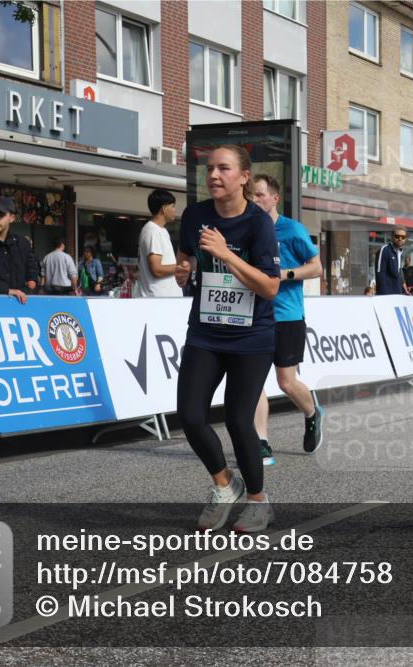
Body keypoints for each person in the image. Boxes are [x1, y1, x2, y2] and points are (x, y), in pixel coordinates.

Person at [174, 145, 280, 533]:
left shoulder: (258, 223)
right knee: (189, 415)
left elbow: (269, 287)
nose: (214, 175)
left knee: (238, 420)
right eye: (210, 169)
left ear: (244, 176)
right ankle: (224, 485)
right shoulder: (196, 215)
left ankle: (258, 502)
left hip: (251, 337)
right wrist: (182, 273)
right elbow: (186, 259)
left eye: (224, 168)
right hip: (206, 331)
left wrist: (227, 254)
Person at [250, 174, 325, 466]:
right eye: (251, 196)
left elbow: (316, 267)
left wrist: (284, 275)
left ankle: (311, 413)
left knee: (286, 382)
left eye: (259, 195)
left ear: (274, 198)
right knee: (253, 381)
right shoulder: (248, 230)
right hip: (254, 315)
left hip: (287, 316)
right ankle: (261, 443)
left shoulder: (291, 230)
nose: (254, 201)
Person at [136, 189, 181, 297]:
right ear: (164, 209)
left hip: (164, 300)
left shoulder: (161, 230)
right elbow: (156, 270)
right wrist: (180, 268)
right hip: (158, 300)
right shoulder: (153, 231)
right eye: (173, 206)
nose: (175, 210)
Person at [375, 229, 408, 295]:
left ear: (405, 239)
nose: (400, 239)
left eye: (403, 237)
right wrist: (384, 294)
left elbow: (398, 274)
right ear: (392, 236)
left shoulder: (400, 252)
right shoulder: (385, 250)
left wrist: (404, 289)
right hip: (387, 294)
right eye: (397, 236)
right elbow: (379, 273)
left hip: (398, 293)